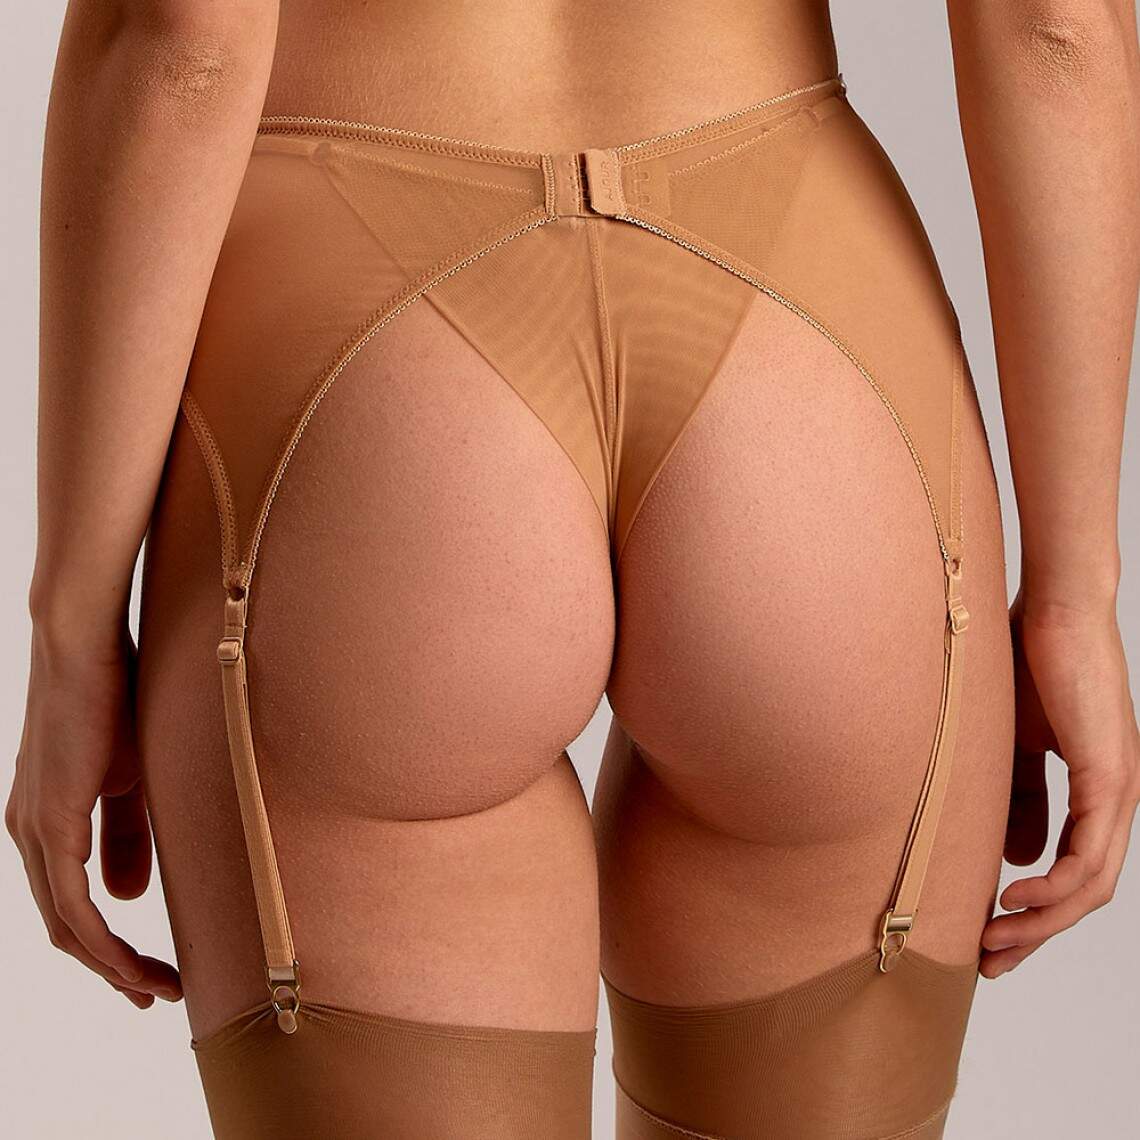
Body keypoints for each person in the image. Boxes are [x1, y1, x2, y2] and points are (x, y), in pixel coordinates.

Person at [7, 1, 1139, 1137]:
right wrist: (1072, 597)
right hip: (803, 347)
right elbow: (1053, 25)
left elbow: (180, 37)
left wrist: (74, 631)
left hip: (371, 384)